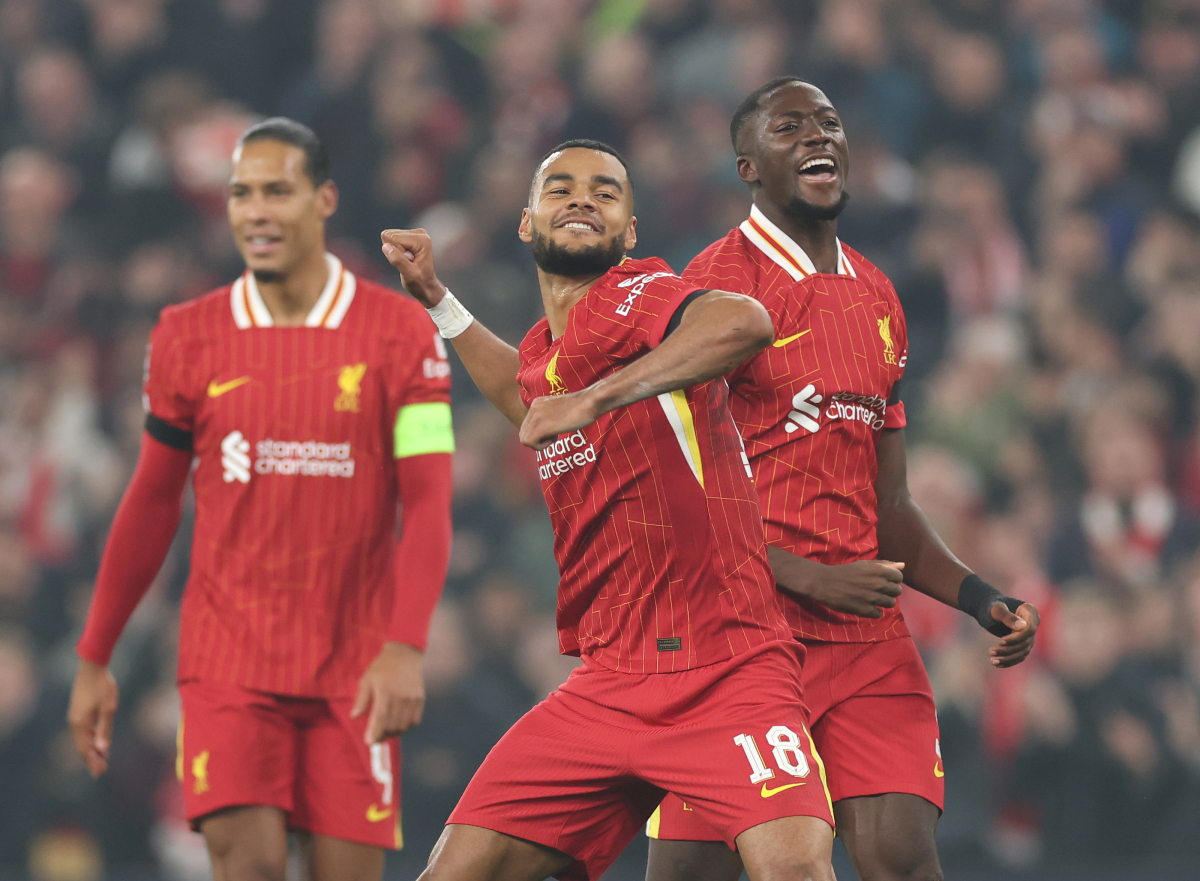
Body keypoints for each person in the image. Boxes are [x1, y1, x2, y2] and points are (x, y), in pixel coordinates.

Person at [381, 140, 836, 881]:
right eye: (559, 188)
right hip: (609, 681)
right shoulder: (546, 352)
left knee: (794, 869)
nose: (582, 198)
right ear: (526, 223)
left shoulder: (640, 296)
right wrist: (439, 298)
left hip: (727, 665)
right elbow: (528, 397)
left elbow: (745, 322)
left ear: (629, 232)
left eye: (605, 191)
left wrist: (599, 396)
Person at [644, 78, 1042, 881]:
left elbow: (887, 502)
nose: (818, 136)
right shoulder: (709, 290)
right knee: (694, 871)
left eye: (828, 122)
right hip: (741, 632)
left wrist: (976, 597)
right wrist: (809, 577)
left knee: (901, 852)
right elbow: (667, 493)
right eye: (789, 126)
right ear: (748, 165)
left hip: (865, 637)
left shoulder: (879, 296)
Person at [66, 118, 454, 881]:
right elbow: (151, 500)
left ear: (324, 199)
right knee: (251, 867)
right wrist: (94, 656)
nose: (255, 211)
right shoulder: (187, 334)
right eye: (242, 193)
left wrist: (406, 647)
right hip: (228, 665)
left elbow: (430, 501)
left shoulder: (402, 331)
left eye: (278, 191)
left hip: (356, 669)